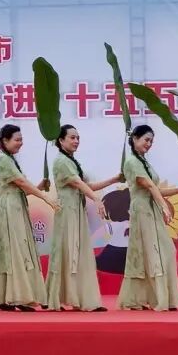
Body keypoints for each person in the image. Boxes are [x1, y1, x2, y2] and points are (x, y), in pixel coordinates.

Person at [46, 125, 121, 312]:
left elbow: (87, 185)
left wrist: (114, 179)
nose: (76, 141)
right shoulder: (61, 162)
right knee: (67, 253)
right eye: (72, 137)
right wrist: (96, 199)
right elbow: (79, 183)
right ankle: (57, 298)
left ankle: (78, 298)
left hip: (76, 212)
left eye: (78, 138)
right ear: (61, 140)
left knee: (78, 254)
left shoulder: (71, 162)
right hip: (67, 212)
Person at [0, 124, 60, 311]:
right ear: (5, 141)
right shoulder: (3, 160)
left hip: (16, 205)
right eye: (17, 140)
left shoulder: (9, 160)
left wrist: (39, 187)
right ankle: (19, 297)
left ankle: (3, 298)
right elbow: (21, 182)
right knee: (16, 250)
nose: (21, 143)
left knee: (14, 250)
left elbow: (20, 190)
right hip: (10, 208)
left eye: (21, 139)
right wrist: (44, 197)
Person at [117, 125, 178, 312]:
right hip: (142, 211)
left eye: (151, 141)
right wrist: (164, 206)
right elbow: (148, 185)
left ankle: (157, 297)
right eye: (146, 140)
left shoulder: (144, 162)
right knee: (150, 253)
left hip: (151, 209)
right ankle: (151, 298)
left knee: (165, 251)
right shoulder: (132, 162)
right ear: (135, 139)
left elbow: (155, 189)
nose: (149, 144)